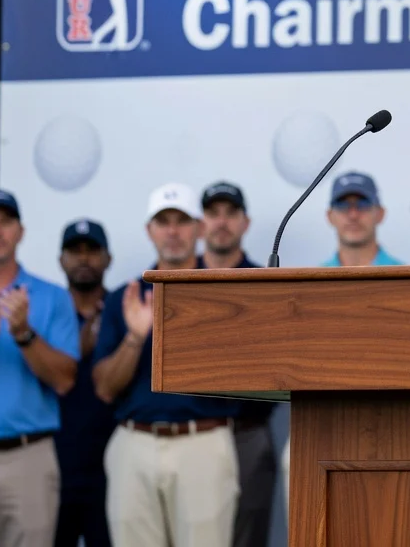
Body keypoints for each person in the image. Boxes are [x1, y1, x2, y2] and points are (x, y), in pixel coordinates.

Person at [92, 183, 241, 547]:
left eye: (182, 221)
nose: (173, 231)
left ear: (200, 228)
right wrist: (135, 337)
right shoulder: (122, 298)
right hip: (134, 442)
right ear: (149, 230)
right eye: (163, 221)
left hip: (203, 442)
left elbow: (245, 376)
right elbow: (105, 387)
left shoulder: (226, 291)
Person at [0, 187, 79, 547]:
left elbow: (65, 380)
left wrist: (23, 334)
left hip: (29, 458)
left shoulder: (52, 297)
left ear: (20, 231)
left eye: (6, 222)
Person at [198, 182, 274, 547]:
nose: (222, 222)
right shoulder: (179, 281)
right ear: (201, 224)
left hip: (247, 433)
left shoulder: (265, 284)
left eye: (231, 213)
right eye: (213, 213)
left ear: (246, 223)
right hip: (191, 431)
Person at [54, 220, 116, 547]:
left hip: (110, 468)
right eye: (74, 251)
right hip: (53, 464)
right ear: (60, 260)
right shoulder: (46, 310)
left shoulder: (123, 309)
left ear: (108, 259)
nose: (83, 258)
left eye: (92, 250)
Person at [322, 172, 404, 267]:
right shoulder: (314, 280)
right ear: (330, 216)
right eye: (342, 205)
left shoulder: (409, 279)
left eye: (363, 204)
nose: (353, 215)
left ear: (380, 214)